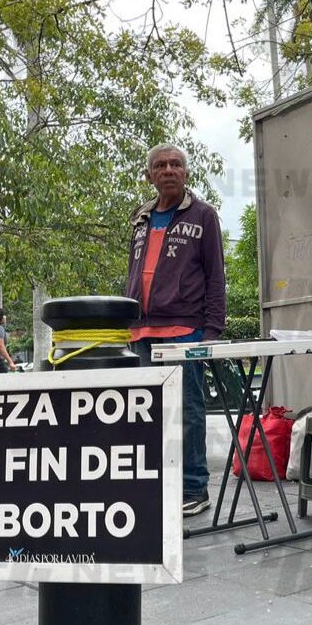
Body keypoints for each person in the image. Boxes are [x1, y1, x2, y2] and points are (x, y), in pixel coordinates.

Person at [126, 143, 226, 517]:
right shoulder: (139, 217)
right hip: (141, 332)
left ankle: (194, 487)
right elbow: (133, 273)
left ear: (186, 172)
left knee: (187, 410)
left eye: (176, 164)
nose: (168, 170)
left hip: (185, 329)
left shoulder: (203, 215)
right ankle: (161, 485)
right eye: (160, 165)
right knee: (149, 413)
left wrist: (212, 330)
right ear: (149, 175)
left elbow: (216, 276)